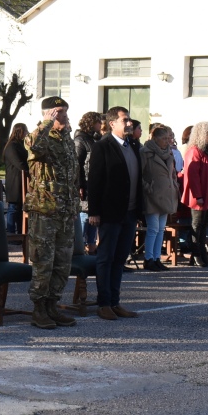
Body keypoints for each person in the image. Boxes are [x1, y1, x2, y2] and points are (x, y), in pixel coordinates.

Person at [24, 97, 78, 329]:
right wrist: (46, 123)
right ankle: (38, 308)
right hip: (44, 211)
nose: (64, 116)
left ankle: (52, 305)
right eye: (59, 113)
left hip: (65, 211)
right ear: (48, 115)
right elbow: (33, 146)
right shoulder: (38, 136)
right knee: (43, 262)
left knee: (62, 263)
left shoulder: (67, 140)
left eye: (65, 112)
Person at [86, 106, 142, 321]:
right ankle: (104, 303)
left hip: (129, 211)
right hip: (110, 212)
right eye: (125, 120)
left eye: (129, 120)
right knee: (106, 257)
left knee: (120, 258)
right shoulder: (102, 146)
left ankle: (115, 301)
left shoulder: (133, 145)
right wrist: (94, 211)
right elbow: (95, 181)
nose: (129, 123)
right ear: (112, 124)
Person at [181, 122, 208, 268]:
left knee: (204, 226)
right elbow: (192, 176)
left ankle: (202, 255)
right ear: (201, 134)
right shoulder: (194, 151)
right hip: (200, 195)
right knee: (197, 226)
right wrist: (198, 195)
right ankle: (196, 255)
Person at [140, 125, 178, 271]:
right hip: (152, 195)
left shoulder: (169, 153)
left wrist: (174, 185)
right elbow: (140, 173)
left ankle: (157, 258)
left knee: (161, 228)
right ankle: (148, 259)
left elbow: (173, 173)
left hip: (167, 194)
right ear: (155, 138)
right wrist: (148, 187)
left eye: (168, 138)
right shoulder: (145, 152)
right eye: (163, 139)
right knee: (153, 228)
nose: (166, 141)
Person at [74, 112, 103, 253]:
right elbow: (77, 164)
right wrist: (79, 184)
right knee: (85, 216)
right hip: (85, 182)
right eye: (98, 122)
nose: (101, 125)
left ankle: (91, 245)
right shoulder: (80, 140)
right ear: (91, 123)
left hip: (94, 182)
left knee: (93, 214)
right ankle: (80, 246)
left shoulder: (95, 139)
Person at [2, 123, 29, 234]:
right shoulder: (11, 146)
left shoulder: (19, 144)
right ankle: (11, 233)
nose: (27, 133)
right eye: (25, 130)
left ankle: (19, 232)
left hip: (20, 181)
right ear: (20, 131)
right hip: (15, 181)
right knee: (13, 208)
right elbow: (19, 163)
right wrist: (29, 170)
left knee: (19, 209)